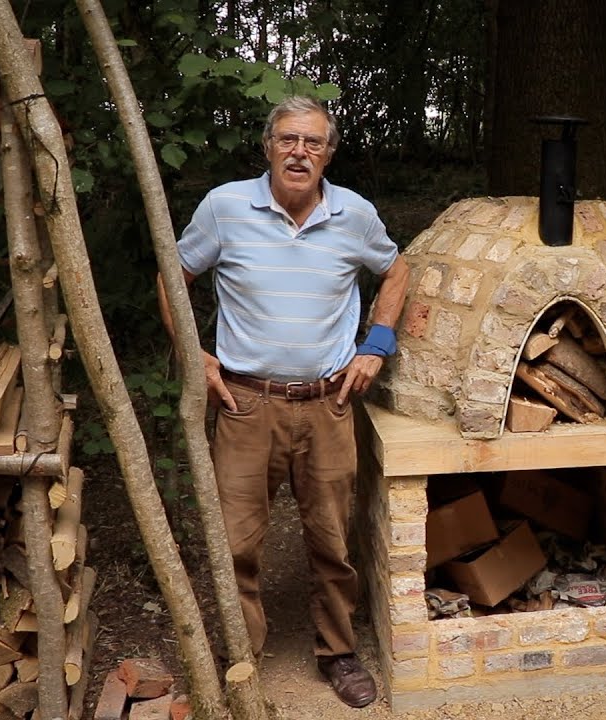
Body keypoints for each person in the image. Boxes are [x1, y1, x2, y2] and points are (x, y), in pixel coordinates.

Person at [157, 95, 410, 708]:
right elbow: (173, 277)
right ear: (268, 146)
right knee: (236, 541)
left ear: (329, 154)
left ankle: (339, 652)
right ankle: (242, 658)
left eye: (314, 143)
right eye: (289, 140)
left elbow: (397, 270)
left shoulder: (354, 215)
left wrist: (375, 347)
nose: (300, 152)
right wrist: (198, 356)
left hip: (328, 405)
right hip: (246, 405)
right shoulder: (225, 207)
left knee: (332, 540)